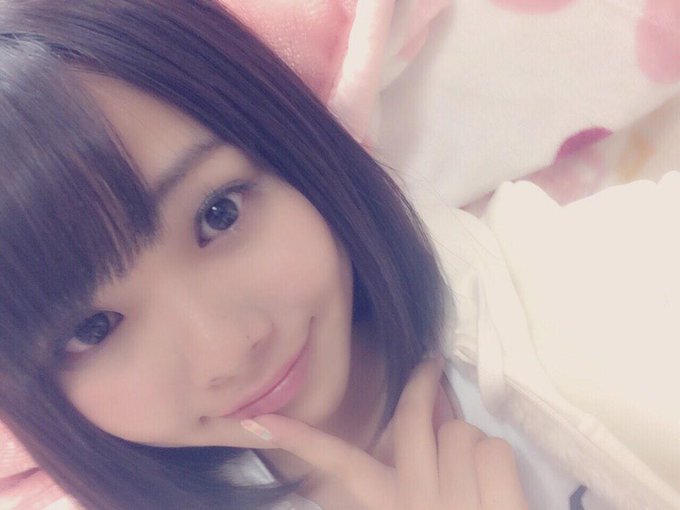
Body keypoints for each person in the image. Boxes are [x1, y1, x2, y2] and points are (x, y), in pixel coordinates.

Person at [0, 1, 530, 509]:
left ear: (292, 148)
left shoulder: (550, 285)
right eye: (93, 328)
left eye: (219, 214)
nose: (226, 351)